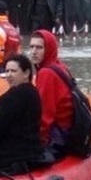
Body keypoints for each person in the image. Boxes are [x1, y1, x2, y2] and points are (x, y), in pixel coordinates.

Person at [0, 54, 51, 175]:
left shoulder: (13, 97)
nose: (9, 75)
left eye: (13, 71)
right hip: (29, 153)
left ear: (26, 73)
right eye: (7, 71)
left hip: (11, 157)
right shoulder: (33, 92)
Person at [29, 29, 74, 160]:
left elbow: (44, 114)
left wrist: (37, 143)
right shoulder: (60, 66)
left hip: (58, 136)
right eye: (31, 47)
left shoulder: (46, 74)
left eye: (39, 47)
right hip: (69, 130)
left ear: (48, 49)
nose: (33, 51)